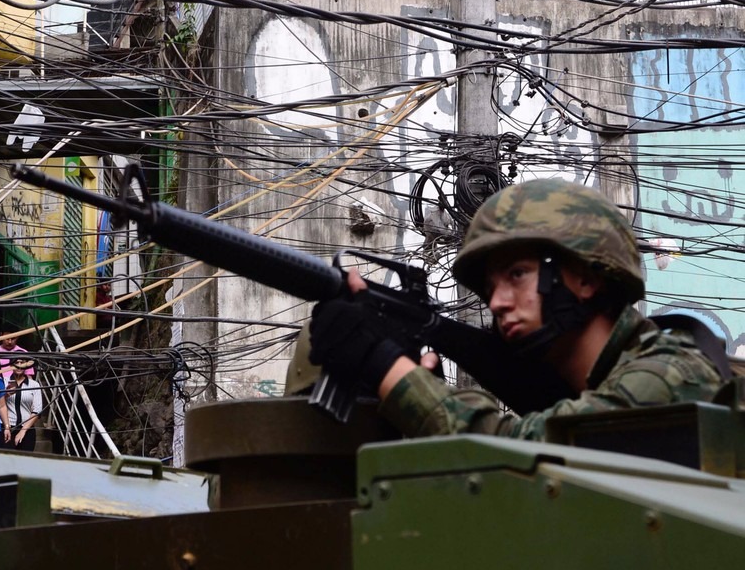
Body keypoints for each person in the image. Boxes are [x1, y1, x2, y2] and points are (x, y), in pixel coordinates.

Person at [306, 178, 725, 440]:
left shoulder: (668, 376)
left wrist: (389, 369)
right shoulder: (595, 391)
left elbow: (526, 456)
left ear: (585, 278)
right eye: (490, 287)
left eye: (518, 274)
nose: (497, 301)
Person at [1, 357, 44, 452]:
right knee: (5, 461)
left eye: (22, 362)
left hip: (27, 429)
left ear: (27, 365)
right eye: (16, 362)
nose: (19, 365)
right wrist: (6, 395)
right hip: (6, 427)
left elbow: (37, 410)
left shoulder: (34, 385)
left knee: (25, 462)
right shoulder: (3, 382)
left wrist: (23, 431)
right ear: (11, 365)